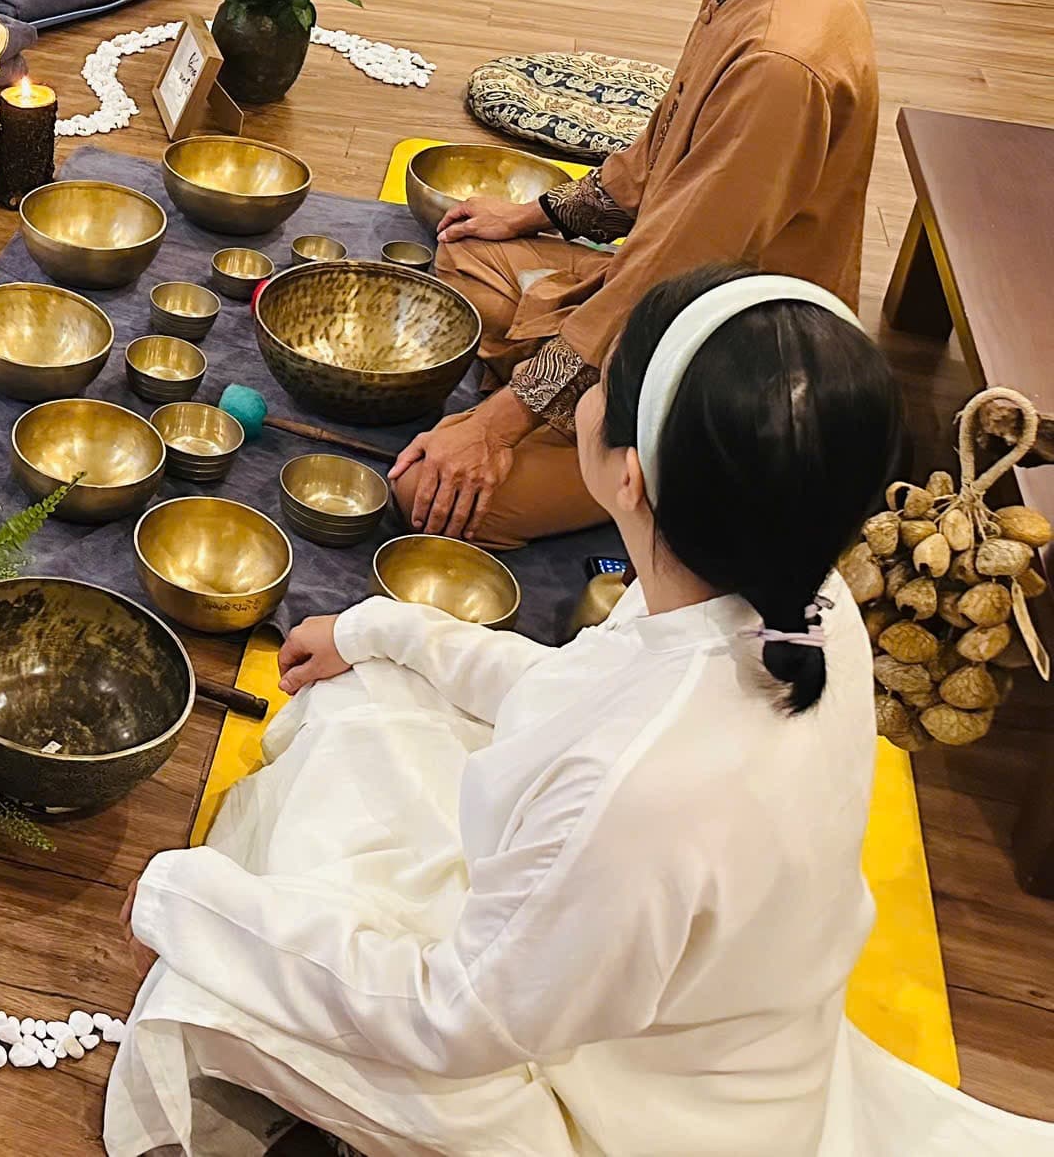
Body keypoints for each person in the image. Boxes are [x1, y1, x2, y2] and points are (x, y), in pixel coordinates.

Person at [108, 266, 1054, 1157]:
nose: (580, 390)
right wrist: (384, 631)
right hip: (640, 976)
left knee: (206, 985)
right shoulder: (796, 587)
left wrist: (187, 903)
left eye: (602, 380)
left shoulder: (642, 782)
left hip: (627, 1110)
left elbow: (454, 1019)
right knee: (371, 685)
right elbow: (573, 693)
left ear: (631, 477)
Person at [391, 0, 879, 545]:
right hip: (661, 298)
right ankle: (564, 396)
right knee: (469, 255)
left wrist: (497, 425)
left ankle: (633, 456)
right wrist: (537, 215)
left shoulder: (780, 59)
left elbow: (672, 274)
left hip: (726, 371)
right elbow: (656, 159)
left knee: (429, 499)